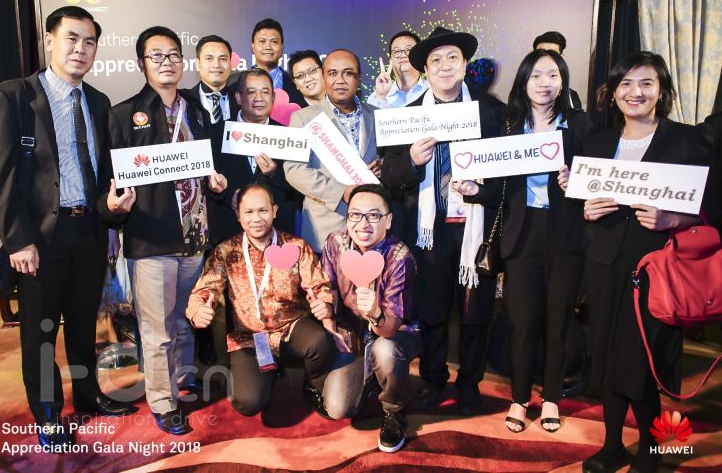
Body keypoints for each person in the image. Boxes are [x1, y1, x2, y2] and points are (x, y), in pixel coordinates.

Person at [0, 6, 136, 449]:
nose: (80, 49)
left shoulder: (99, 101)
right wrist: (18, 240)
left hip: (88, 231)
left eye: (89, 42)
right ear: (49, 40)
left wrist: (110, 214)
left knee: (84, 325)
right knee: (41, 333)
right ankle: (48, 413)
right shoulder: (12, 97)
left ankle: (88, 396)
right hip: (39, 240)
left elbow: (101, 172)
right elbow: (2, 178)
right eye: (71, 38)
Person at [580, 52, 720, 472]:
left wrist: (676, 218)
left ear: (662, 91)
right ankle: (611, 446)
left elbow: (713, 206)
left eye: (646, 83)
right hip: (605, 266)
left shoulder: (688, 141)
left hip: (658, 270)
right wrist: (586, 209)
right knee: (607, 357)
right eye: (625, 83)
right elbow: (579, 208)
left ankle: (652, 450)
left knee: (640, 362)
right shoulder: (598, 144)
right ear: (613, 93)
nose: (634, 92)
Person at [457, 49, 594, 433]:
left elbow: (597, 180)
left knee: (559, 322)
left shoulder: (580, 126)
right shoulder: (509, 127)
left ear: (563, 82)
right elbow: (499, 191)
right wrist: (474, 191)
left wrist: (576, 183)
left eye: (552, 75)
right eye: (536, 75)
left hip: (565, 234)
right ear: (523, 82)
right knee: (522, 323)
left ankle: (551, 398)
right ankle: (519, 399)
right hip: (521, 233)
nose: (544, 83)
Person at [102, 25, 227, 435]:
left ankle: (184, 377)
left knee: (184, 319)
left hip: (195, 236)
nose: (167, 62)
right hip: (151, 239)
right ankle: (162, 400)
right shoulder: (124, 114)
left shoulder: (197, 109)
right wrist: (113, 213)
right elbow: (112, 180)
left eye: (173, 55)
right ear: (142, 63)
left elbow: (207, 163)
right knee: (156, 329)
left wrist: (215, 180)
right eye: (156, 56)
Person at [381, 26, 501, 415]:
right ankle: (434, 380)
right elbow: (390, 175)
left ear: (465, 65)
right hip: (429, 233)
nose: (445, 66)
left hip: (475, 229)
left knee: (475, 314)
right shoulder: (407, 117)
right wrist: (412, 160)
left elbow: (507, 175)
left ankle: (469, 383)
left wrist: (481, 190)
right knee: (431, 312)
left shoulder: (492, 113)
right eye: (436, 60)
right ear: (425, 70)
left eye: (453, 58)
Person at [186, 184, 335, 417]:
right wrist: (197, 311)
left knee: (320, 342)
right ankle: (265, 371)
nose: (256, 218)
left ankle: (312, 384)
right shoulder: (226, 251)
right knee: (249, 403)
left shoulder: (295, 246)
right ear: (238, 215)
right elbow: (204, 290)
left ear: (274, 211)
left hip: (290, 328)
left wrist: (324, 303)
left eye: (263, 211)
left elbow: (319, 285)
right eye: (249, 212)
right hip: (250, 337)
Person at [319, 184, 421, 453]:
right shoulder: (336, 242)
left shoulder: (400, 257)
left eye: (374, 215)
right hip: (353, 333)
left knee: (384, 350)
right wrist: (327, 318)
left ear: (388, 220)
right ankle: (369, 379)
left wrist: (375, 312)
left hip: (396, 333)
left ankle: (394, 412)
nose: (363, 224)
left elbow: (390, 328)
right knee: (338, 408)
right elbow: (327, 287)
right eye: (355, 214)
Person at [284, 49, 380, 253]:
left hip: (372, 228)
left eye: (348, 73)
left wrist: (384, 166)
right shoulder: (303, 118)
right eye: (333, 73)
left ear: (359, 78)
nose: (340, 80)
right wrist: (341, 191)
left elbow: (390, 159)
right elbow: (294, 171)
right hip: (326, 228)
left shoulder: (376, 115)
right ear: (324, 77)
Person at [188, 34, 239, 365]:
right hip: (194, 210)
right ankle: (203, 357)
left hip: (232, 206)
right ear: (197, 63)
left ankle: (241, 352)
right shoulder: (183, 101)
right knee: (200, 285)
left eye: (223, 58)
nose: (217, 65)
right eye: (209, 58)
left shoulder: (242, 99)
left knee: (236, 286)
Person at [216, 68, 301, 239]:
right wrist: (229, 195)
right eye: (251, 92)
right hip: (229, 230)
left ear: (273, 98)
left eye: (265, 92)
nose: (259, 98)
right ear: (238, 97)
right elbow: (207, 180)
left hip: (278, 232)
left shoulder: (288, 135)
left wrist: (274, 173)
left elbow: (299, 187)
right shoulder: (217, 133)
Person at [243, 18, 307, 107]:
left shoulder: (296, 84)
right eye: (262, 41)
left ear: (282, 46)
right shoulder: (235, 83)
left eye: (274, 42)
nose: (268, 47)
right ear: (252, 46)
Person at [367, 30, 428, 109]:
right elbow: (372, 117)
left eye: (409, 50)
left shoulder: (433, 89)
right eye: (397, 51)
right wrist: (381, 98)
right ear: (390, 59)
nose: (402, 55)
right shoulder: (376, 98)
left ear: (419, 56)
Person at [532, 31, 583, 110]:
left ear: (561, 58)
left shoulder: (572, 96)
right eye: (541, 54)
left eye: (552, 54)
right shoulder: (521, 92)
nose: (546, 59)